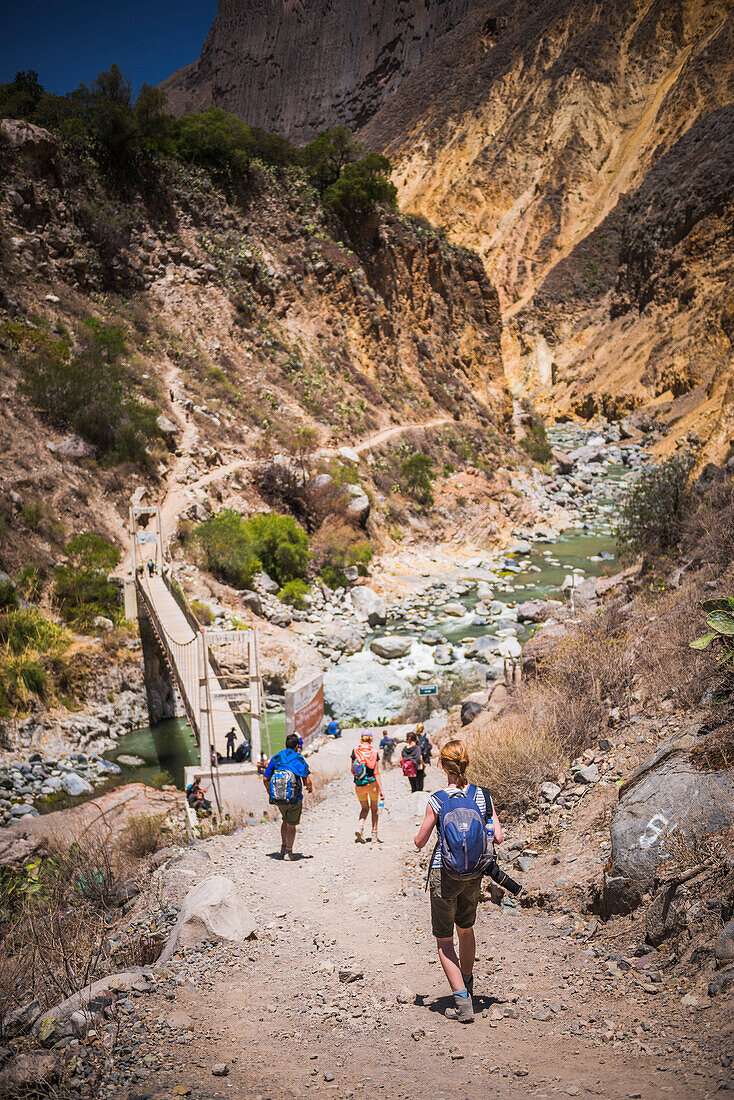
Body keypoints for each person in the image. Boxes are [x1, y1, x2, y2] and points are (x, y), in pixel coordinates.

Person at [413, 739, 503, 1024]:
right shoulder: (482, 796)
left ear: (441, 765)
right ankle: (469, 985)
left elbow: (419, 841)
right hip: (474, 874)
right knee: (466, 929)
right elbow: (498, 837)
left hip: (444, 873)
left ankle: (462, 1003)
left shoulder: (438, 799)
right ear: (467, 763)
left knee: (443, 940)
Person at [262, 733, 312, 860]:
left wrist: (269, 791)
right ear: (296, 746)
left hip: (278, 798)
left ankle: (283, 847)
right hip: (294, 799)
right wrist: (309, 788)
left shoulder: (276, 757)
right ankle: (289, 853)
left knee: (285, 820)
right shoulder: (298, 759)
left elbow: (265, 778)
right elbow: (307, 779)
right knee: (291, 825)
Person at [351, 733, 384, 844]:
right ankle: (374, 835)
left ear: (361, 739)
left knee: (364, 808)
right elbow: (376, 772)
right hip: (372, 785)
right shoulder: (374, 752)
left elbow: (352, 771)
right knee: (374, 810)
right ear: (371, 740)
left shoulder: (355, 751)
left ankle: (359, 827)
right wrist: (381, 790)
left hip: (359, 785)